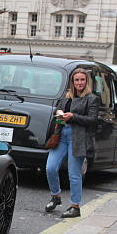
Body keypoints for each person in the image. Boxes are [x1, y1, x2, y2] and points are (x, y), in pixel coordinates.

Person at [44, 68, 99, 218]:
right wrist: (59, 113)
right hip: (61, 135)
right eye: (77, 80)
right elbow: (58, 110)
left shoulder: (92, 98)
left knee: (74, 174)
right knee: (50, 168)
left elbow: (93, 121)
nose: (79, 83)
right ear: (72, 82)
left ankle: (75, 206)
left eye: (82, 80)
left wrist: (73, 116)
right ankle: (56, 196)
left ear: (87, 81)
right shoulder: (67, 96)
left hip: (78, 138)